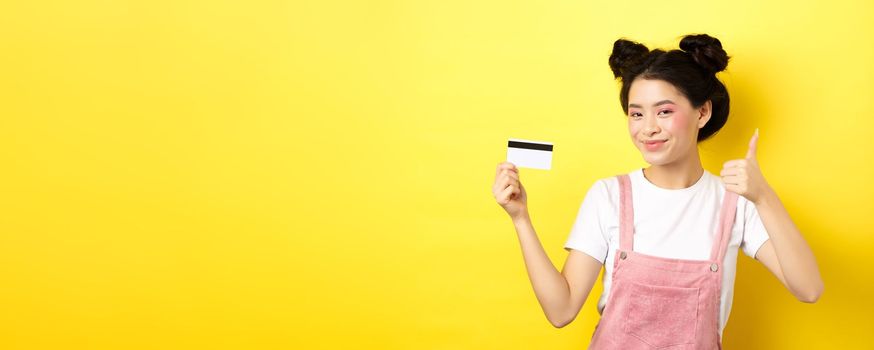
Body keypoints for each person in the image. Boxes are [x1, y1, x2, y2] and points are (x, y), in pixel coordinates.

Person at [491, 33, 824, 349]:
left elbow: (809, 289)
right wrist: (520, 219)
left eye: (664, 111)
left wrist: (764, 196)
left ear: (702, 112)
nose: (648, 127)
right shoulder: (608, 196)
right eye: (637, 114)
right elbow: (561, 311)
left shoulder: (735, 203)